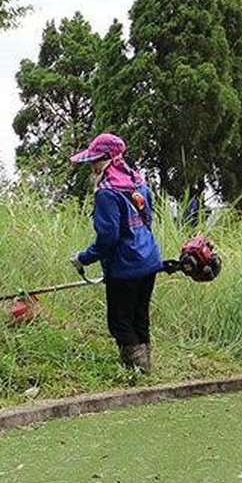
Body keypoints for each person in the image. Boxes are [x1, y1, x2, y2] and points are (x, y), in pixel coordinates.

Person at [70, 133, 162, 372]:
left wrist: (83, 258)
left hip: (125, 265)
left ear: (107, 159)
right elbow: (148, 218)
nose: (92, 167)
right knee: (139, 315)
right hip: (149, 259)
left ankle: (136, 370)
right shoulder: (137, 182)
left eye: (95, 162)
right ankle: (145, 365)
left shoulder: (106, 192)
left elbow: (108, 238)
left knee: (120, 321)